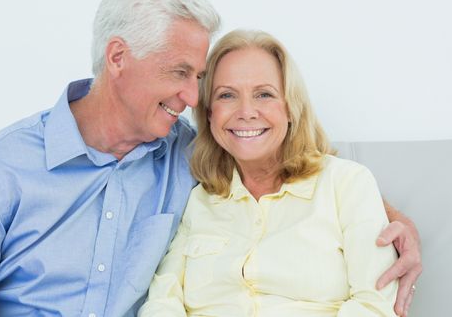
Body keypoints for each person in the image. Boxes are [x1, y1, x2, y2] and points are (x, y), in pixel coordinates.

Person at [0, 0, 420, 317]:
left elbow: (294, 176)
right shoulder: (1, 170)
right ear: (118, 57)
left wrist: (399, 224)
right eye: (180, 72)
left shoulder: (186, 151)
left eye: (199, 79)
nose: (191, 97)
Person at [138, 30, 400, 316]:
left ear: (290, 108)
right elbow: (163, 301)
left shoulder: (347, 184)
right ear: (210, 114)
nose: (246, 111)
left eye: (264, 94)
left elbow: (374, 307)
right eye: (227, 95)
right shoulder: (198, 198)